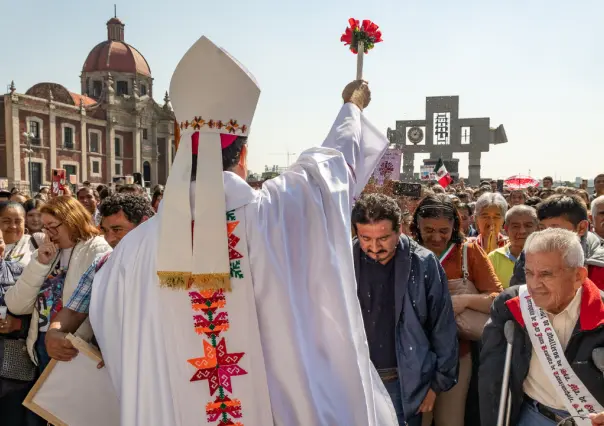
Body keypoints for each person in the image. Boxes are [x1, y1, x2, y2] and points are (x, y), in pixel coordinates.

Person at [89, 36, 397, 426]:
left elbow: (113, 329)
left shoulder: (132, 252)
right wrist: (351, 108)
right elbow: (333, 168)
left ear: (182, 147)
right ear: (245, 154)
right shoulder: (277, 215)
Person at [352, 194, 458, 426]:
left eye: (383, 238)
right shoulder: (344, 260)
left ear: (399, 229)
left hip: (402, 383)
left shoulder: (423, 264)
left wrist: (436, 385)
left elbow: (443, 327)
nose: (374, 247)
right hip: (354, 380)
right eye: (365, 238)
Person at [479, 229, 604, 425]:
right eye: (529, 273)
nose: (535, 284)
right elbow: (492, 376)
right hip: (535, 416)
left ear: (578, 276)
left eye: (546, 274)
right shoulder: (512, 305)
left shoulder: (600, 311)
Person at [411, 194, 502, 426]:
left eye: (444, 230)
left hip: (458, 354)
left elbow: (498, 300)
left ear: (455, 225)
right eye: (428, 229)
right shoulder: (406, 251)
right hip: (413, 356)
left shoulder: (469, 252)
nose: (437, 237)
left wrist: (465, 301)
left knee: (450, 420)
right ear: (416, 225)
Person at [4, 196, 111, 372]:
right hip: (41, 343)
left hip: (74, 349)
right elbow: (17, 306)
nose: (48, 233)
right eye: (45, 228)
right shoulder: (46, 251)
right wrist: (40, 264)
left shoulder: (98, 249)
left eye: (53, 227)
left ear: (72, 220)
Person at [45, 194, 154, 362]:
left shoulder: (172, 268)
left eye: (117, 230)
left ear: (145, 224)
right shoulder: (102, 265)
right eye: (105, 230)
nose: (109, 238)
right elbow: (73, 311)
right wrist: (53, 333)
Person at [510, 194, 604, 289]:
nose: (546, 235)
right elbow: (518, 294)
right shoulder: (527, 256)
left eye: (554, 229)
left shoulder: (598, 265)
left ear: (581, 228)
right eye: (542, 228)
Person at [488, 205, 538, 288]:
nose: (522, 231)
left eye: (528, 225)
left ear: (538, 228)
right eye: (516, 226)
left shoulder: (548, 256)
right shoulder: (494, 258)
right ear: (506, 229)